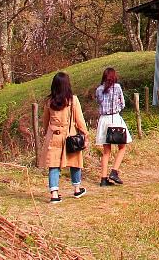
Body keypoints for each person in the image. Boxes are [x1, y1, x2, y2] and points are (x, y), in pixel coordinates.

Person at [40, 72, 89, 203]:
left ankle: (54, 194)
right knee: (75, 162)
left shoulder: (49, 101)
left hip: (54, 136)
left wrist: (46, 133)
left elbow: (45, 121)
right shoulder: (73, 100)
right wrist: (85, 134)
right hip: (70, 136)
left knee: (53, 165)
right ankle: (77, 189)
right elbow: (80, 120)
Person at [94, 67, 132, 187]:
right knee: (122, 146)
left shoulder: (99, 89)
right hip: (115, 118)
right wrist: (117, 109)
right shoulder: (117, 87)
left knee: (106, 151)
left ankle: (103, 179)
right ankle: (114, 171)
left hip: (103, 120)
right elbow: (123, 104)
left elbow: (99, 102)